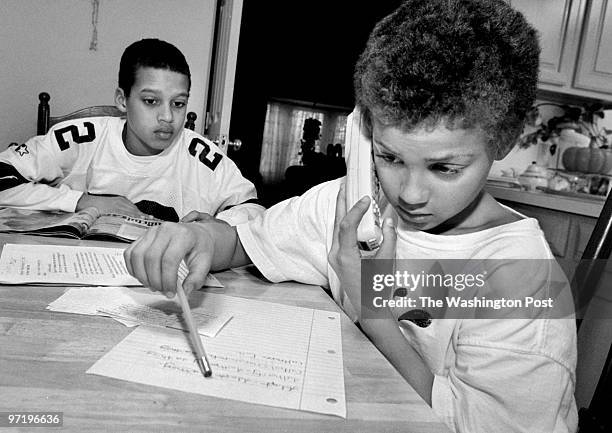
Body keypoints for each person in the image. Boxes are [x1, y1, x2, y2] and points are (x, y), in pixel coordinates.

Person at [124, 2, 577, 432]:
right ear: (364, 136)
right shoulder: (351, 207)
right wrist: (199, 237)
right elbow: (246, 241)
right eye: (389, 157)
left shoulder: (520, 276)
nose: (410, 193)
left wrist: (373, 307)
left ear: (503, 141)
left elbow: (468, 424)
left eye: (444, 168)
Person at [0, 38, 264, 225]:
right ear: (122, 100)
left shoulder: (201, 155)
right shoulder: (81, 137)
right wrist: (81, 200)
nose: (167, 117)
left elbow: (252, 209)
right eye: (151, 101)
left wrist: (219, 228)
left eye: (178, 103)